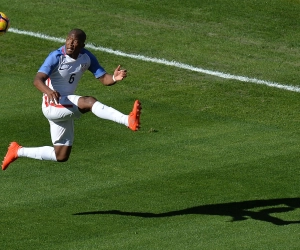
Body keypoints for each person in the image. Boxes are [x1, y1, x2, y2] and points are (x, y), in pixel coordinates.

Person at [2, 28, 141, 170]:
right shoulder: (56, 56)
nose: (70, 43)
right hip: (52, 105)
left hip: (64, 104)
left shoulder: (86, 57)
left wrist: (114, 78)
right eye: (69, 39)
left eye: (75, 41)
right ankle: (127, 120)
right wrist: (49, 91)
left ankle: (17, 151)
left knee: (61, 155)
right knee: (89, 102)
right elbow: (37, 80)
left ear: (82, 45)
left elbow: (104, 78)